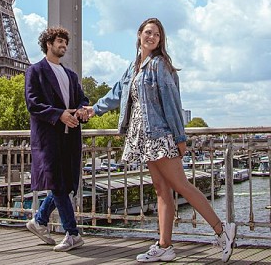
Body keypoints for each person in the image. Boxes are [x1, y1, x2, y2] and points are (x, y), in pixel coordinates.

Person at [81, 17, 236, 263]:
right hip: (144, 137)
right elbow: (117, 93)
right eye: (148, 32)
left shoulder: (159, 66)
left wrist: (180, 137)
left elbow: (173, 104)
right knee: (162, 190)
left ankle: (221, 230)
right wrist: (93, 110)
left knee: (180, 185)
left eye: (157, 34)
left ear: (160, 40)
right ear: (139, 34)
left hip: (160, 135)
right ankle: (165, 245)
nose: (152, 37)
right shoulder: (134, 67)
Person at [24, 26, 89, 252]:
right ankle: (73, 233)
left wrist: (81, 111)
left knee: (65, 184)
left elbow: (82, 99)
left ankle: (39, 221)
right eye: (59, 41)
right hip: (49, 138)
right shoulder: (35, 71)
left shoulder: (71, 75)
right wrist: (59, 114)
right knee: (57, 183)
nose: (63, 45)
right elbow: (33, 104)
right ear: (48, 44)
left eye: (65, 42)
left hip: (70, 138)